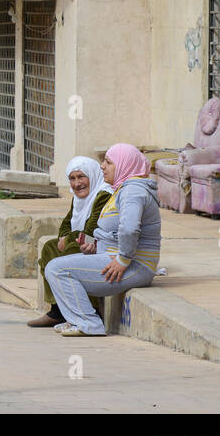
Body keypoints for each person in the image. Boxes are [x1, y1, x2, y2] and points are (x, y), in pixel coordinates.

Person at [44, 143, 162, 337]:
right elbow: (117, 232)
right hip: (119, 259)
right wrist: (96, 245)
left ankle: (89, 324)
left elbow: (130, 228)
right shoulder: (124, 189)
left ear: (124, 164)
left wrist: (123, 259)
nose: (102, 166)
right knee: (55, 264)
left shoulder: (133, 192)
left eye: (108, 162)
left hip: (135, 266)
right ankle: (78, 320)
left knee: (57, 269)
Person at [26, 155, 114, 327]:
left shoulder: (103, 195)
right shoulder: (79, 198)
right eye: (72, 179)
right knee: (50, 247)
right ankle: (57, 309)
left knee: (73, 248)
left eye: (81, 177)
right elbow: (66, 224)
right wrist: (64, 237)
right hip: (85, 238)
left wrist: (69, 238)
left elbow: (91, 229)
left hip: (102, 242)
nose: (76, 183)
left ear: (92, 175)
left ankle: (90, 310)